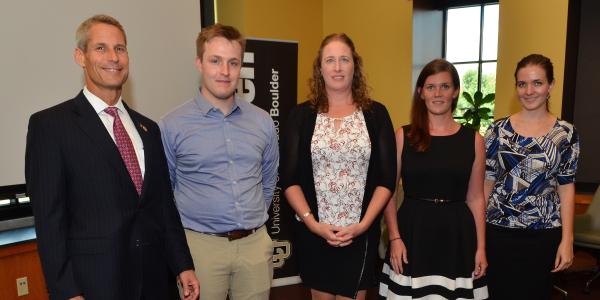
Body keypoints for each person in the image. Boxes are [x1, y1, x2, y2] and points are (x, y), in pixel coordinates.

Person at [25, 15, 199, 300]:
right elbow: (49, 221)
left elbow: (164, 207)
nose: (113, 57)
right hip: (95, 286)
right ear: (80, 56)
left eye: (120, 48)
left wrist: (183, 264)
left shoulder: (148, 128)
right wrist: (66, 291)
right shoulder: (51, 126)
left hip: (156, 282)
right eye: (101, 48)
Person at [159, 23, 279, 300]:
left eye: (233, 63)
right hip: (200, 250)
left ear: (241, 67)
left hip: (254, 248)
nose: (225, 72)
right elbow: (166, 192)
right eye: (215, 61)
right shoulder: (172, 125)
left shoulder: (262, 121)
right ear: (199, 63)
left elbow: (269, 179)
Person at [280, 33, 396, 300]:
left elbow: (387, 179)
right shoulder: (300, 116)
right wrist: (314, 225)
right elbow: (289, 178)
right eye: (330, 60)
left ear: (355, 66)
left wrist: (364, 225)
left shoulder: (376, 114)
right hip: (316, 235)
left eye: (344, 59)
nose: (337, 67)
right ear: (319, 68)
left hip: (360, 235)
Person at [379, 59, 488, 299]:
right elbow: (389, 192)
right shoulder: (403, 136)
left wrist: (481, 248)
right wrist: (394, 237)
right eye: (430, 87)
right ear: (420, 92)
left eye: (445, 86)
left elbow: (476, 198)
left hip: (457, 235)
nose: (437, 93)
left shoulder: (474, 140)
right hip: (412, 232)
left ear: (456, 91)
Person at [484, 54, 580, 300]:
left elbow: (566, 187)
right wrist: (474, 234)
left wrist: (567, 240)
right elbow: (487, 182)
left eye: (537, 83)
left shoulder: (566, 133)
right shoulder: (497, 130)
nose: (529, 90)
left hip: (544, 234)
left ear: (551, 85)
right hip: (498, 232)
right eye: (522, 84)